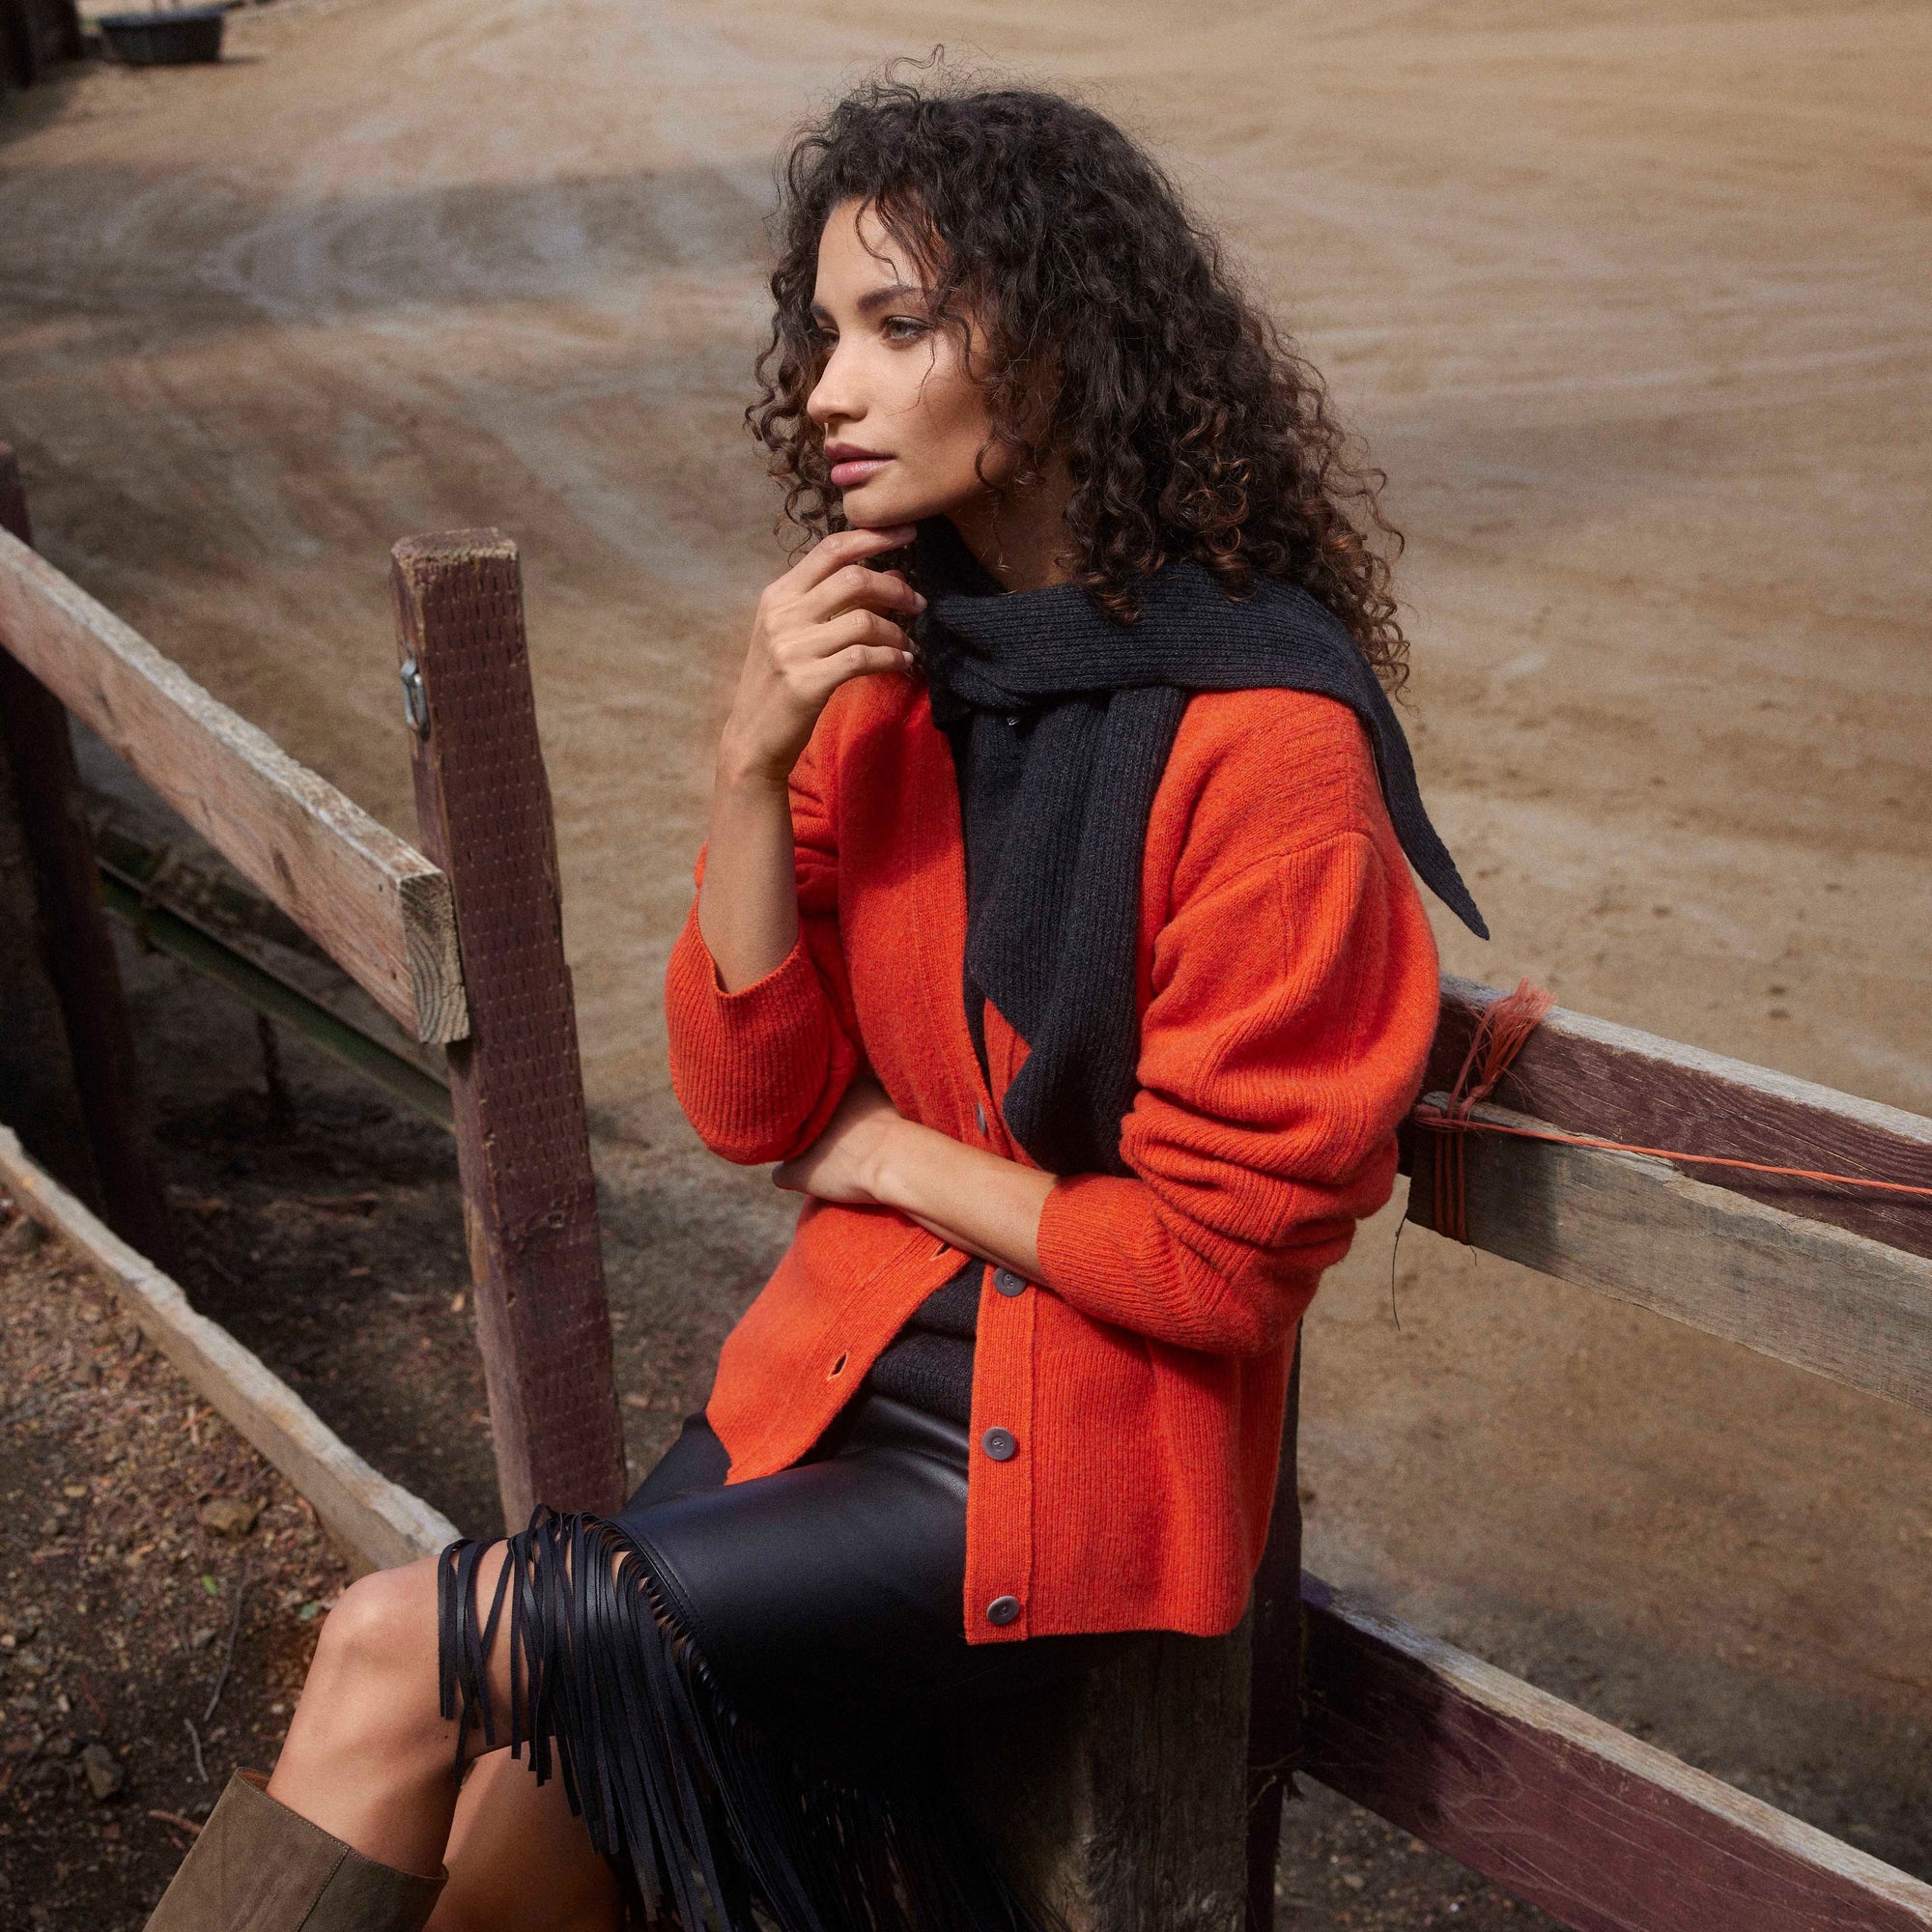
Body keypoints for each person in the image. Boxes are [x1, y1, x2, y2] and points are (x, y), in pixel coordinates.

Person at [144, 67, 1482, 1932]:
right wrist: (748, 763)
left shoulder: (1268, 749)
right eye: (823, 331)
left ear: (1061, 352)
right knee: (508, 1836)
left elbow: (1218, 1269)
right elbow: (754, 1107)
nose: (824, 389)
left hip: (1044, 1477)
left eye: (896, 328)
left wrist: (896, 1161)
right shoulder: (892, 673)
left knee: (394, 1650)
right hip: (820, 1397)